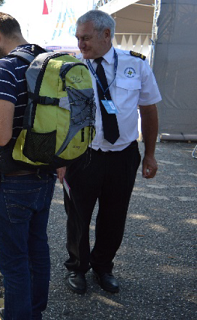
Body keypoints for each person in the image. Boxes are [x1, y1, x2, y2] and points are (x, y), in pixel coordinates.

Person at [61, 10, 161, 295]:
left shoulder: (136, 65)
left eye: (86, 38)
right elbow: (59, 116)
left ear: (107, 35)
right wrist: (61, 159)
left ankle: (103, 267)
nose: (81, 44)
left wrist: (150, 153)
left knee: (114, 215)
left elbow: (149, 109)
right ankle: (78, 268)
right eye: (78, 38)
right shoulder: (70, 68)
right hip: (83, 155)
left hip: (123, 155)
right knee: (78, 216)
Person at [0, 12, 57, 320]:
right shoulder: (49, 61)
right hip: (45, 175)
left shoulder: (5, 68)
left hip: (12, 180)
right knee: (38, 250)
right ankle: (34, 312)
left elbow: (1, 134)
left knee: (14, 261)